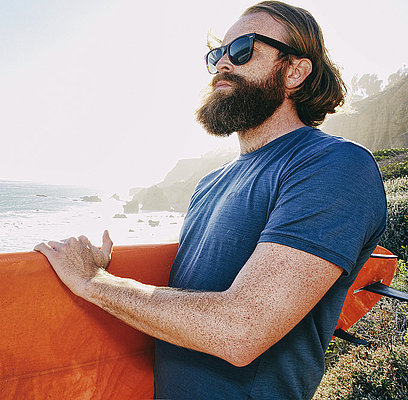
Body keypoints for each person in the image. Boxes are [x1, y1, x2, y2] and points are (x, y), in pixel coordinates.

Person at [34, 1, 387, 399]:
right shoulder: (209, 183)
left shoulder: (334, 165)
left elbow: (241, 329)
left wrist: (93, 281)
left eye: (242, 50)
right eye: (217, 53)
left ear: (294, 71)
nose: (222, 64)